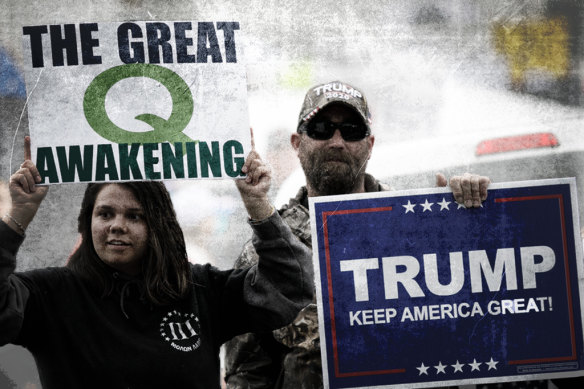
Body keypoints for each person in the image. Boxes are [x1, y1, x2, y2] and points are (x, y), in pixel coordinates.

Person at [223, 80, 490, 389]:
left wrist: (472, 223)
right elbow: (247, 373)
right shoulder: (266, 249)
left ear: (370, 144)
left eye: (351, 131)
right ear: (297, 143)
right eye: (322, 129)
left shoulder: (417, 227)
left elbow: (476, 329)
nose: (337, 142)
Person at [0, 136, 313, 389]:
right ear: (88, 221)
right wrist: (18, 217)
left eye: (135, 216)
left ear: (159, 227)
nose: (116, 225)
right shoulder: (50, 295)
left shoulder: (200, 291)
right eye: (105, 214)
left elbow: (291, 287)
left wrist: (258, 204)